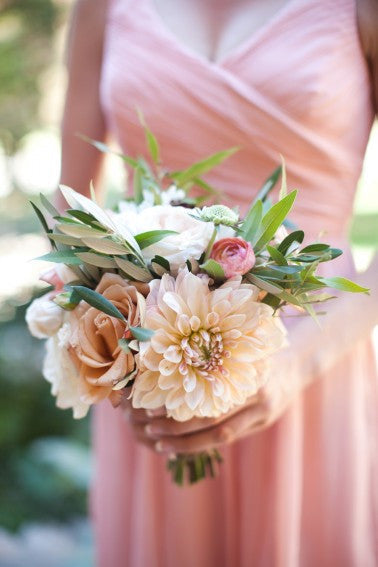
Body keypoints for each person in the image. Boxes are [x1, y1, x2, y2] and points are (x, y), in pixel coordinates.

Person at [60, 0, 378, 565]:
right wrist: (99, 341)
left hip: (315, 353)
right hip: (152, 363)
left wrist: (295, 361)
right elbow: (70, 209)